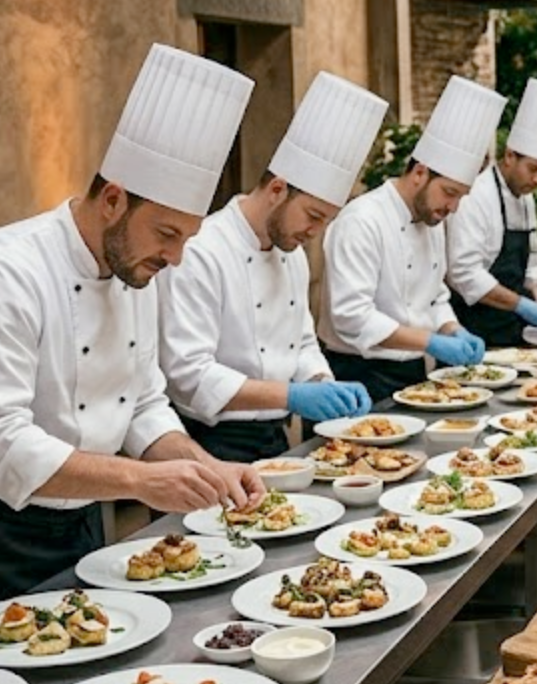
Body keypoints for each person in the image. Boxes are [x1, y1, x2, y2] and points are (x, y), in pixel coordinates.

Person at [0, 45, 264, 641]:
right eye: (167, 234)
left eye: (186, 240)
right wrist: (139, 481)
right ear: (114, 198)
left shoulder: (135, 270)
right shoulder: (2, 272)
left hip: (81, 524)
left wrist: (204, 466)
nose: (174, 259)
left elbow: (144, 404)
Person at [158, 72, 386, 462]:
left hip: (277, 440)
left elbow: (301, 342)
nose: (315, 232)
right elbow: (189, 375)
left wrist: (321, 382)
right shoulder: (201, 251)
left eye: (326, 221)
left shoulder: (292, 254)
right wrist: (292, 395)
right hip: (209, 445)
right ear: (278, 190)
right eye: (313, 215)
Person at [321, 75, 514, 401]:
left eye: (460, 198)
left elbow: (435, 296)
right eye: (449, 193)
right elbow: (352, 316)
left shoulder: (432, 222)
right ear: (420, 172)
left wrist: (452, 329)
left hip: (412, 373)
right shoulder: (362, 221)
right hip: (358, 375)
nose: (452, 208)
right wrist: (431, 342)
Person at [446, 78, 537, 347]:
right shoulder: (476, 197)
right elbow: (464, 274)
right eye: (533, 169)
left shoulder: (525, 197)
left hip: (514, 329)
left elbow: (532, 265)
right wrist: (522, 305)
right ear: (510, 156)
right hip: (477, 328)